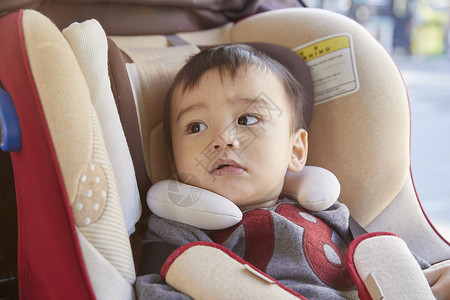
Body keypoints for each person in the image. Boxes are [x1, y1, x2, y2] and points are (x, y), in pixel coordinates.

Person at [135, 44, 447, 299]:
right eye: (196, 126)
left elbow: (391, 272)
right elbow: (155, 290)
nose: (222, 139)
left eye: (247, 120)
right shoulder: (178, 234)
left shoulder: (332, 216)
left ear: (295, 151)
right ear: (175, 164)